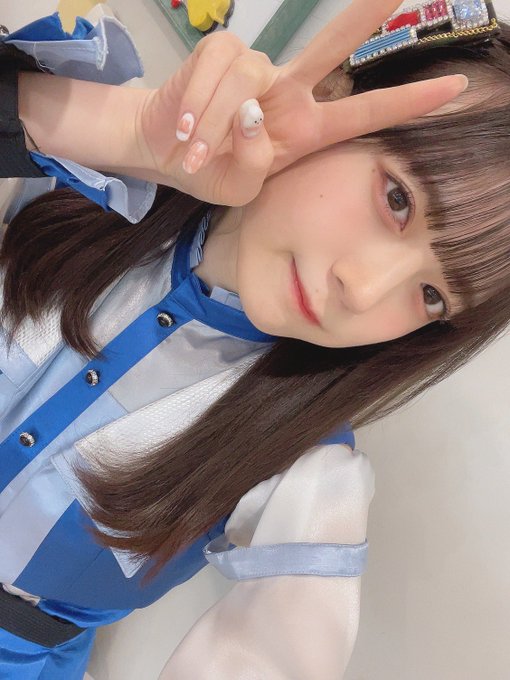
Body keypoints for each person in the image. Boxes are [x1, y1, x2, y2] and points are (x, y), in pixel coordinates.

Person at [0, 0, 508, 678]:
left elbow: (282, 643)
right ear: (334, 96)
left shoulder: (305, 472)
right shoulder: (95, 177)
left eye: (433, 296)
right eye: (398, 199)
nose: (364, 289)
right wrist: (121, 133)